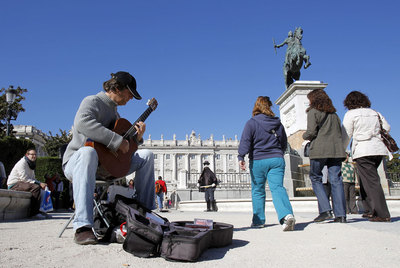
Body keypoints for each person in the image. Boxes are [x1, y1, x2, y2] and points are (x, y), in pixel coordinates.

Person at [62, 71, 156, 245]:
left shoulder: (116, 115)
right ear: (117, 88)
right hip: (77, 162)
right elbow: (82, 123)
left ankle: (144, 214)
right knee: (88, 152)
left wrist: (138, 138)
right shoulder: (92, 101)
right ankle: (82, 227)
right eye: (129, 94)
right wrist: (117, 140)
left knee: (146, 155)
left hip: (106, 166)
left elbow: (123, 149)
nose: (130, 99)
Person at [238, 96, 295, 231]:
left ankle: (258, 221)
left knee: (258, 190)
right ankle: (287, 215)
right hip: (276, 159)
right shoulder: (278, 123)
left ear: (256, 107)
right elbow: (283, 142)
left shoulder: (251, 123)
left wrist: (241, 156)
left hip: (258, 160)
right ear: (269, 107)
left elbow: (246, 141)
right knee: (277, 188)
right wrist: (278, 153)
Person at [342, 91, 391, 222]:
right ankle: (369, 209)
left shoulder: (350, 114)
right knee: (364, 180)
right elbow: (387, 127)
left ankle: (382, 213)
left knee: (371, 180)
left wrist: (341, 150)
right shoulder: (375, 113)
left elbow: (346, 134)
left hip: (363, 150)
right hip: (379, 149)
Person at [302, 89, 347, 223]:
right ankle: (341, 215)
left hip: (320, 150)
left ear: (313, 100)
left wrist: (304, 136)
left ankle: (325, 210)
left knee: (315, 177)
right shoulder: (334, 114)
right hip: (336, 150)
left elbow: (310, 132)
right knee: (336, 180)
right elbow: (339, 131)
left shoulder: (313, 112)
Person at [7, 149, 49, 219]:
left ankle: (42, 210)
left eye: (35, 154)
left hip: (23, 183)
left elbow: (32, 179)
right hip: (14, 184)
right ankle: (33, 213)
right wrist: (39, 183)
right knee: (36, 187)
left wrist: (41, 183)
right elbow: (24, 178)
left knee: (43, 188)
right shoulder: (22, 163)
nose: (34, 156)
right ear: (27, 155)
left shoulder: (31, 164)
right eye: (32, 154)